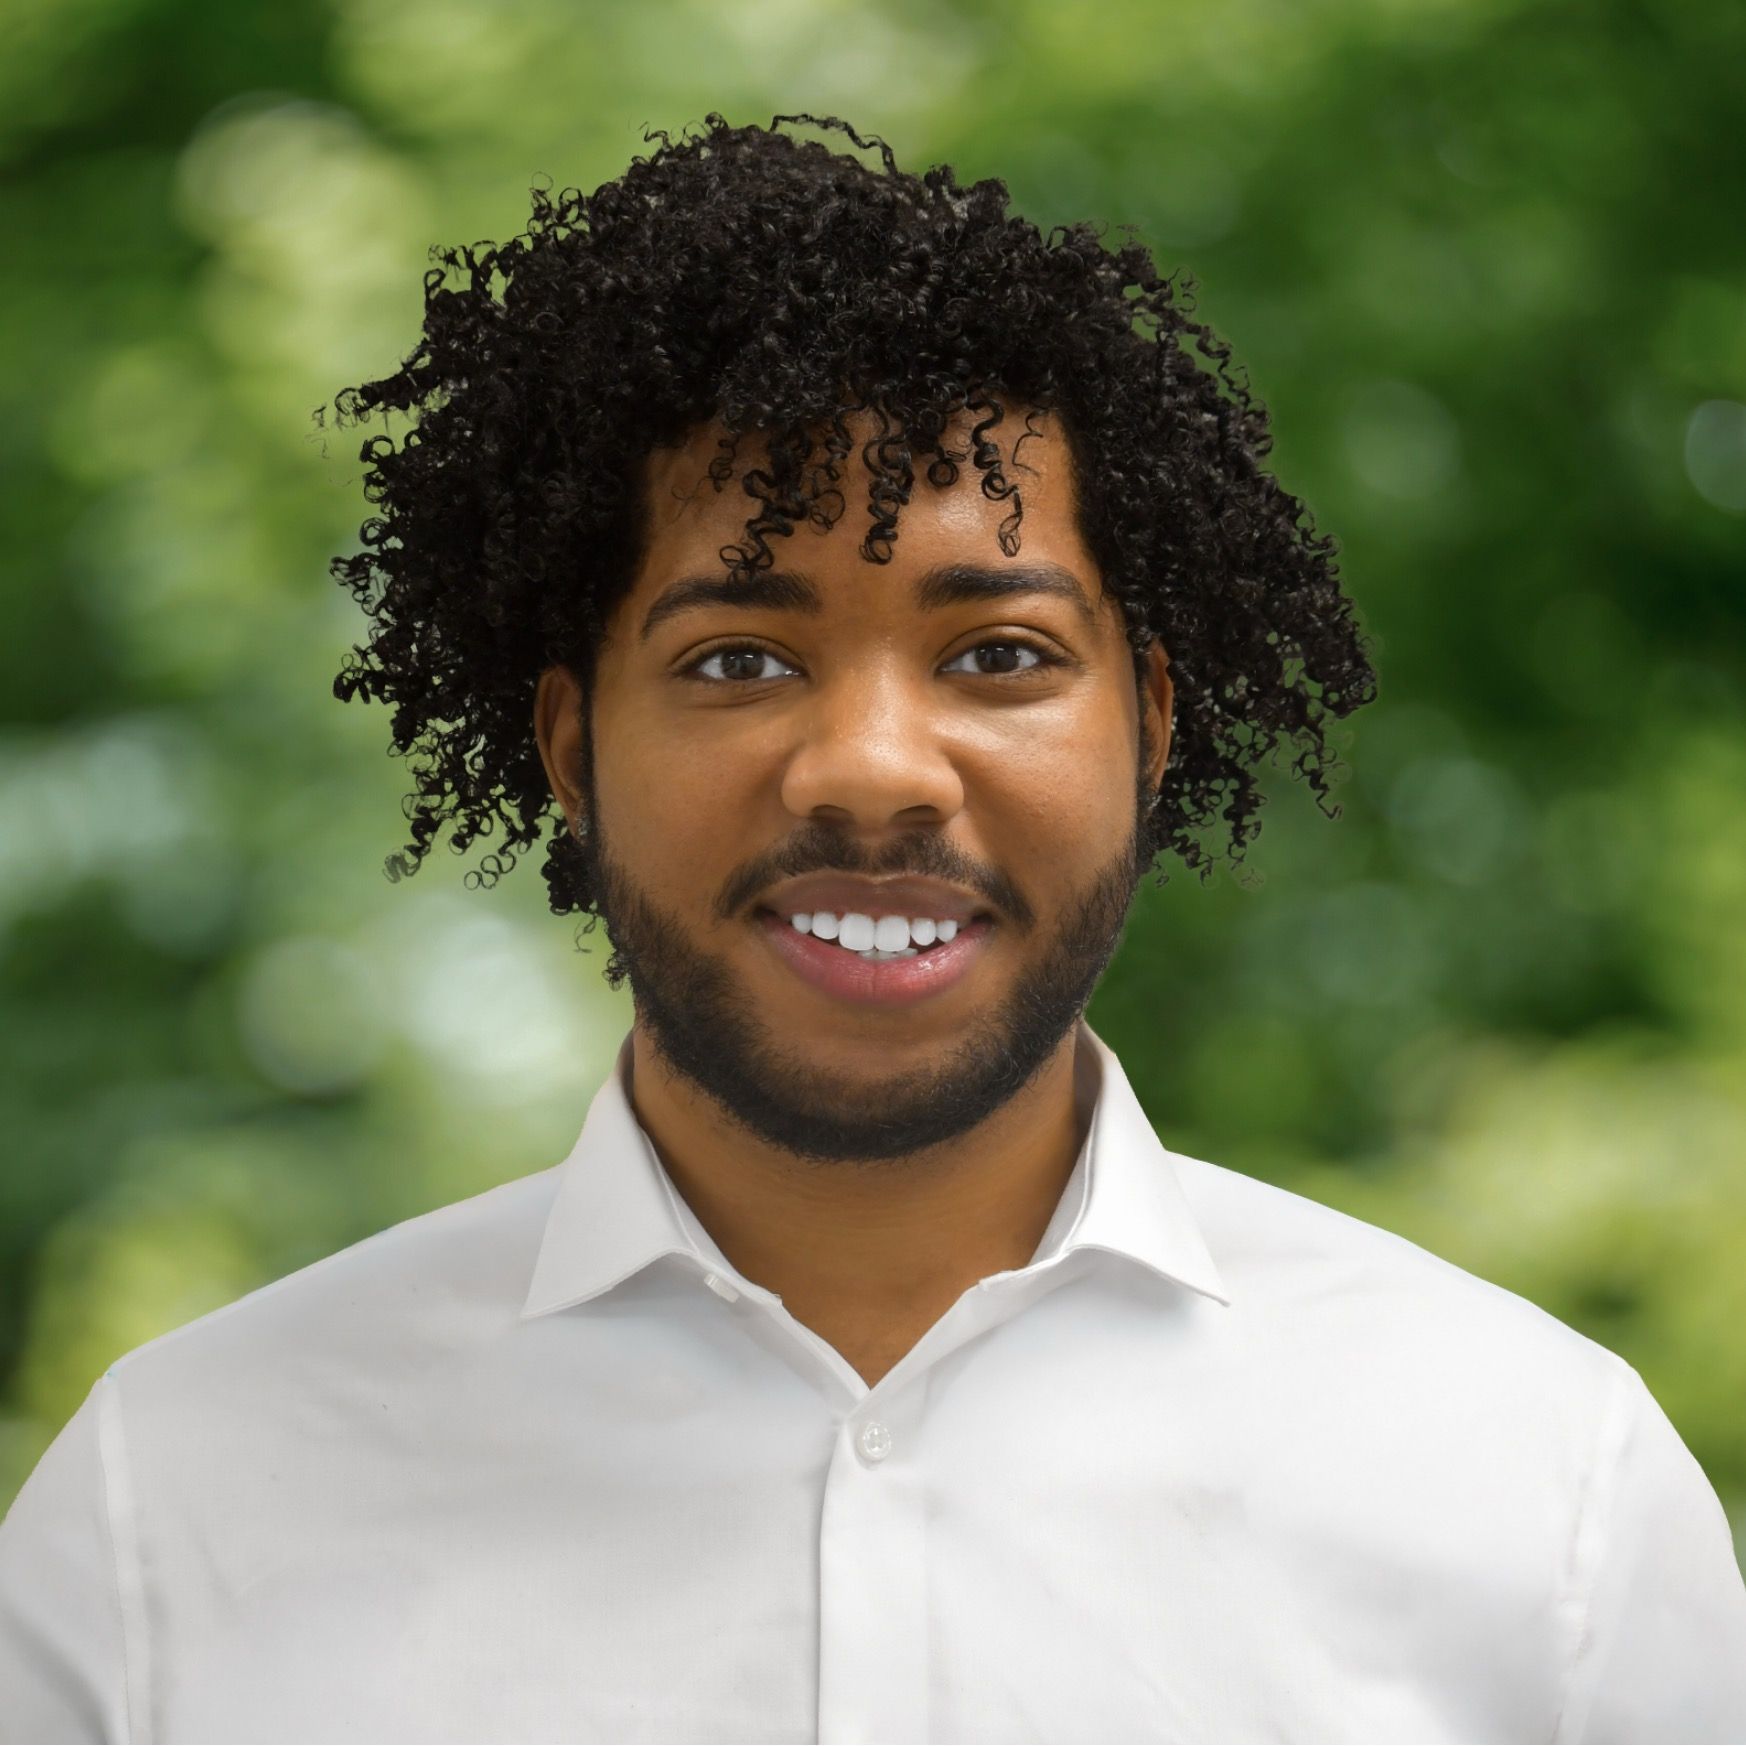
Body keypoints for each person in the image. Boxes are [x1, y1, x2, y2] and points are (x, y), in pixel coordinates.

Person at [2, 111, 1742, 1743]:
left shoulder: (1542, 1501)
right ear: (568, 749)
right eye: (737, 658)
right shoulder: (176, 1515)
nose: (868, 772)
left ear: (1146, 724)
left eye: (996, 654)